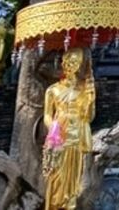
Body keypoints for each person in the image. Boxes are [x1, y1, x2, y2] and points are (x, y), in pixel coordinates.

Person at [43, 48, 95, 210]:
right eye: (69, 62)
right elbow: (47, 115)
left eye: (75, 63)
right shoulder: (53, 90)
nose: (71, 66)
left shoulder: (83, 90)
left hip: (77, 134)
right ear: (63, 63)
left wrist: (91, 98)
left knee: (74, 177)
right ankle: (54, 205)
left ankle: (70, 205)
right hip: (59, 136)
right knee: (56, 175)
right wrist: (53, 128)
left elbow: (89, 117)